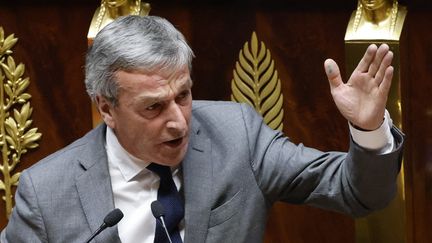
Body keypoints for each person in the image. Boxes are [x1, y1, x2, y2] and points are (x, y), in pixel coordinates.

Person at [1, 15, 404, 243]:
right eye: (153, 107)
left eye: (183, 96)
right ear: (106, 108)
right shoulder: (47, 192)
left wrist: (367, 128)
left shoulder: (237, 135)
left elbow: (357, 193)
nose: (177, 120)